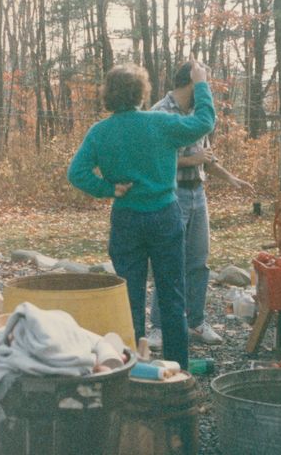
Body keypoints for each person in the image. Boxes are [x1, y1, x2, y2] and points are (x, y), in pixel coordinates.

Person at [68, 59, 215, 369]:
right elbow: (204, 122)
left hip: (126, 220)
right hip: (164, 216)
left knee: (129, 298)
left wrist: (108, 189)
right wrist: (201, 84)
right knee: (172, 296)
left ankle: (132, 369)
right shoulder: (159, 122)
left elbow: (77, 173)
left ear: (109, 94)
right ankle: (178, 371)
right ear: (141, 93)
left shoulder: (100, 132)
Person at [146, 61, 254, 350]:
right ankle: (158, 326)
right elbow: (155, 159)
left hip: (198, 194)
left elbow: (204, 156)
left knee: (199, 262)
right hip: (172, 194)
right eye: (203, 85)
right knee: (169, 262)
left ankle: (195, 321)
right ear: (190, 84)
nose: (207, 93)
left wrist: (232, 178)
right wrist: (191, 161)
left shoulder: (198, 112)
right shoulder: (160, 112)